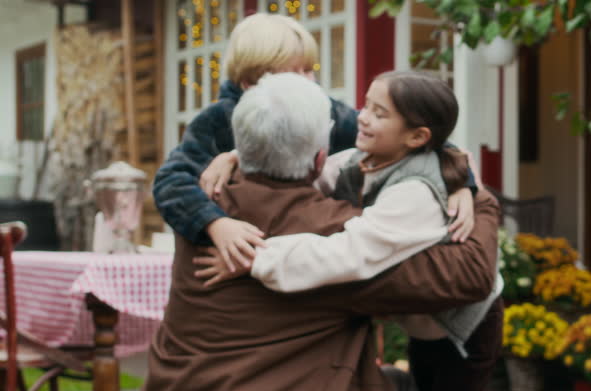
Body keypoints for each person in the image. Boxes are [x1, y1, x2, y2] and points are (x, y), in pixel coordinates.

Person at [133, 72, 501, 391]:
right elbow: (469, 275)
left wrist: (236, 159)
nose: (363, 119)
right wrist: (482, 201)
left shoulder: (205, 207)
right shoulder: (334, 228)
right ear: (319, 159)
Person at [153, 12, 477, 275]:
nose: (310, 81)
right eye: (297, 73)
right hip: (240, 259)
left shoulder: (323, 108)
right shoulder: (215, 121)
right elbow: (170, 183)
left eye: (311, 70)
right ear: (252, 82)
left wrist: (461, 183)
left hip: (300, 251)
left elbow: (419, 140)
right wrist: (215, 223)